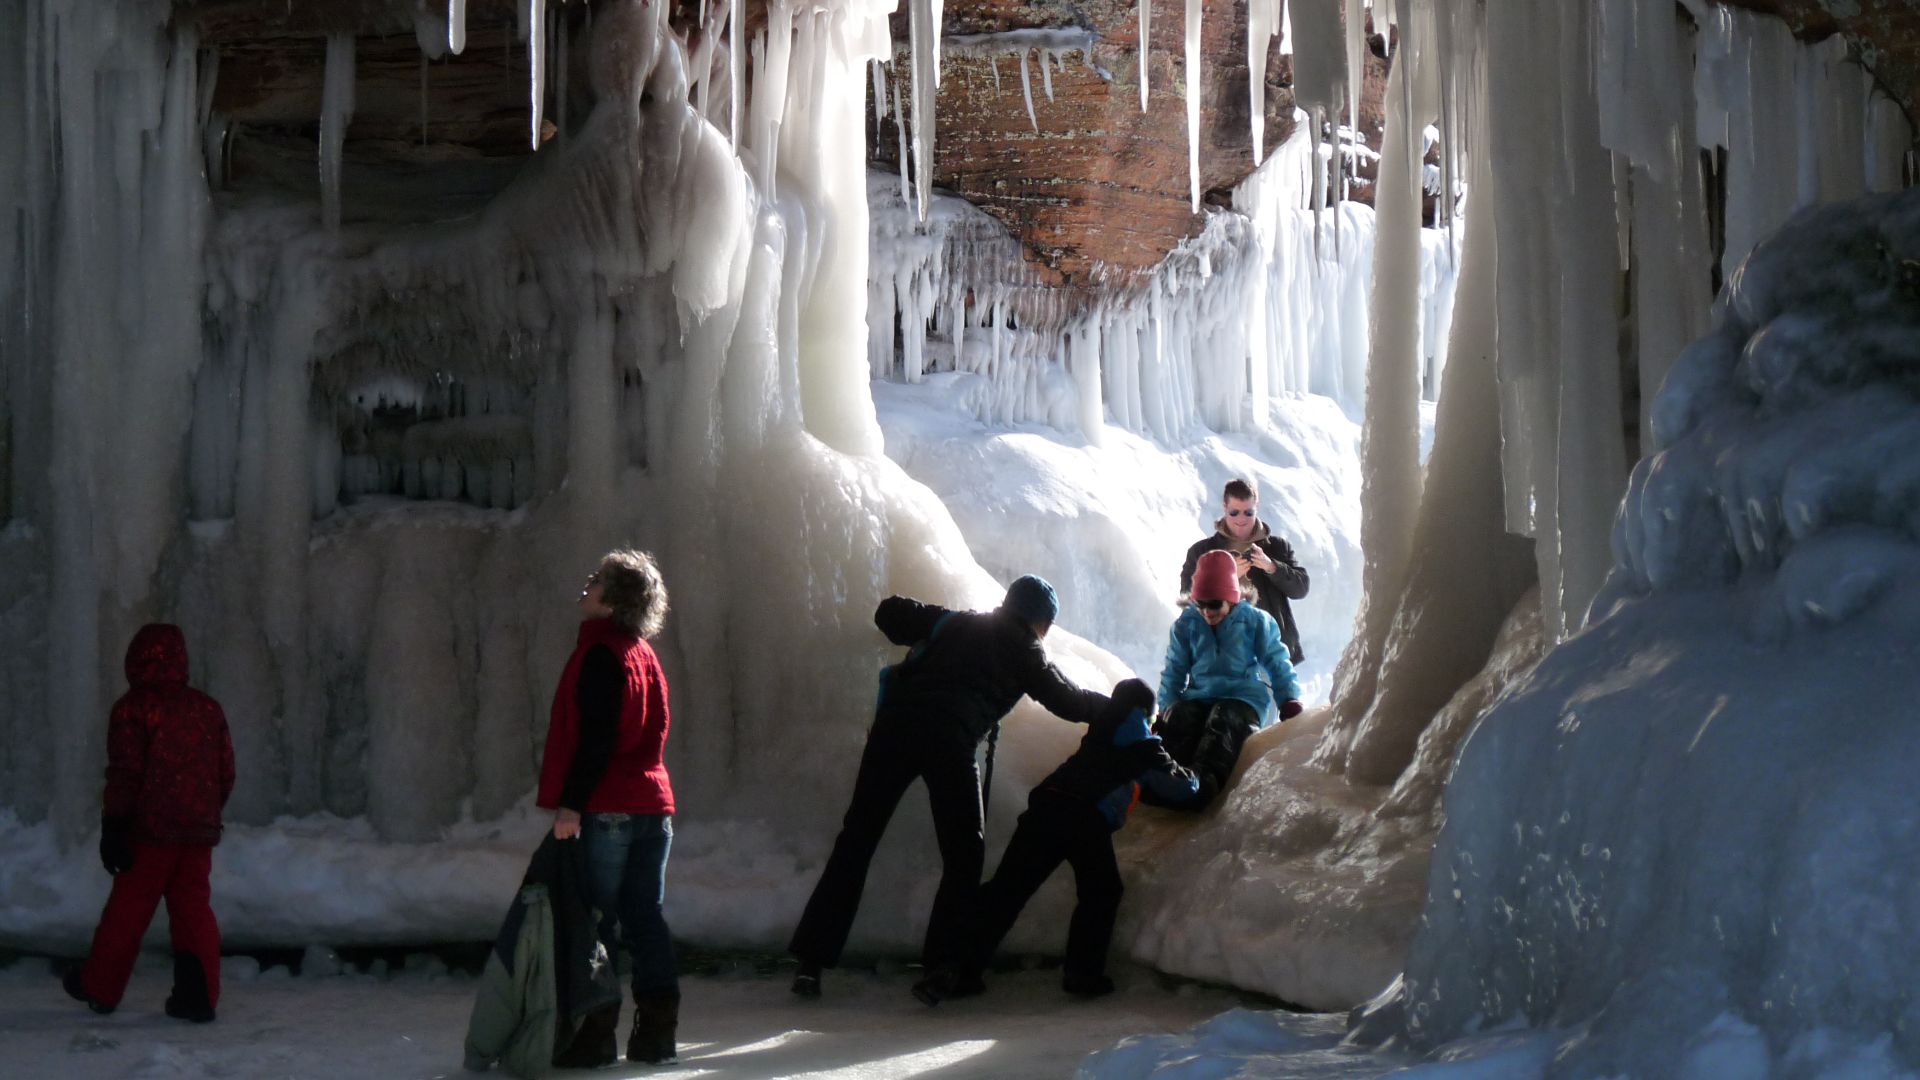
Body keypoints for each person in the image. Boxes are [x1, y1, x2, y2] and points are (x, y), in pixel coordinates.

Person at [787, 575, 1105, 1000]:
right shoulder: (1028, 652)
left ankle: (810, 963)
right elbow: (1069, 702)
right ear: (1040, 622)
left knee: (857, 840)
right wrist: (1119, 708)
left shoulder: (956, 622)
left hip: (892, 732)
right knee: (963, 855)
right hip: (949, 743)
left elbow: (890, 613)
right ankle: (941, 966)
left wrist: (917, 625)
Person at [912, 678, 1196, 1005]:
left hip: (1045, 806)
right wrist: (1201, 773)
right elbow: (1182, 787)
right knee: (1102, 891)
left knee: (1007, 891)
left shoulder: (1103, 726)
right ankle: (1082, 975)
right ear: (1146, 712)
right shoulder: (1143, 742)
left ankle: (954, 969)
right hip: (1083, 816)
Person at [535, 549, 680, 1067]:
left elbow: (597, 739)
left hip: (609, 807)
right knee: (646, 919)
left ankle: (594, 1037)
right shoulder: (644, 655)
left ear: (616, 599)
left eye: (598, 579)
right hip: (653, 807)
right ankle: (658, 1035)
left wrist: (571, 806)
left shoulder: (602, 654)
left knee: (595, 921)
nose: (588, 582)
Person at [64, 623, 235, 1023]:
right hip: (197, 834)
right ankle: (198, 997)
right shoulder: (208, 709)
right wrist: (205, 813)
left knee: (129, 909)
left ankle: (100, 987)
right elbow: (225, 771)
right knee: (193, 910)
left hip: (149, 833)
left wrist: (114, 825)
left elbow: (125, 773)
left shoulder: (133, 708)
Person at [1154, 550, 1303, 810]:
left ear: (1231, 598)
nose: (1206, 612)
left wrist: (1288, 699)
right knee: (1183, 716)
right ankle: (1165, 779)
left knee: (1224, 719)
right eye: (1201, 604)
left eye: (1214, 605)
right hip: (1199, 695)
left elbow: (1277, 662)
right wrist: (1167, 709)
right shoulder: (1187, 624)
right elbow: (1175, 670)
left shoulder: (1255, 622)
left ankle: (1203, 785)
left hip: (1242, 698)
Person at [1179, 477, 1311, 665]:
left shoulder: (1277, 547)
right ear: (1225, 507)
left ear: (1257, 507)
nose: (1241, 519)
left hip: (1271, 658)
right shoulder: (1201, 552)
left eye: (1248, 513)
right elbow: (1189, 602)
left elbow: (1301, 589)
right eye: (1234, 512)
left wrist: (1272, 567)